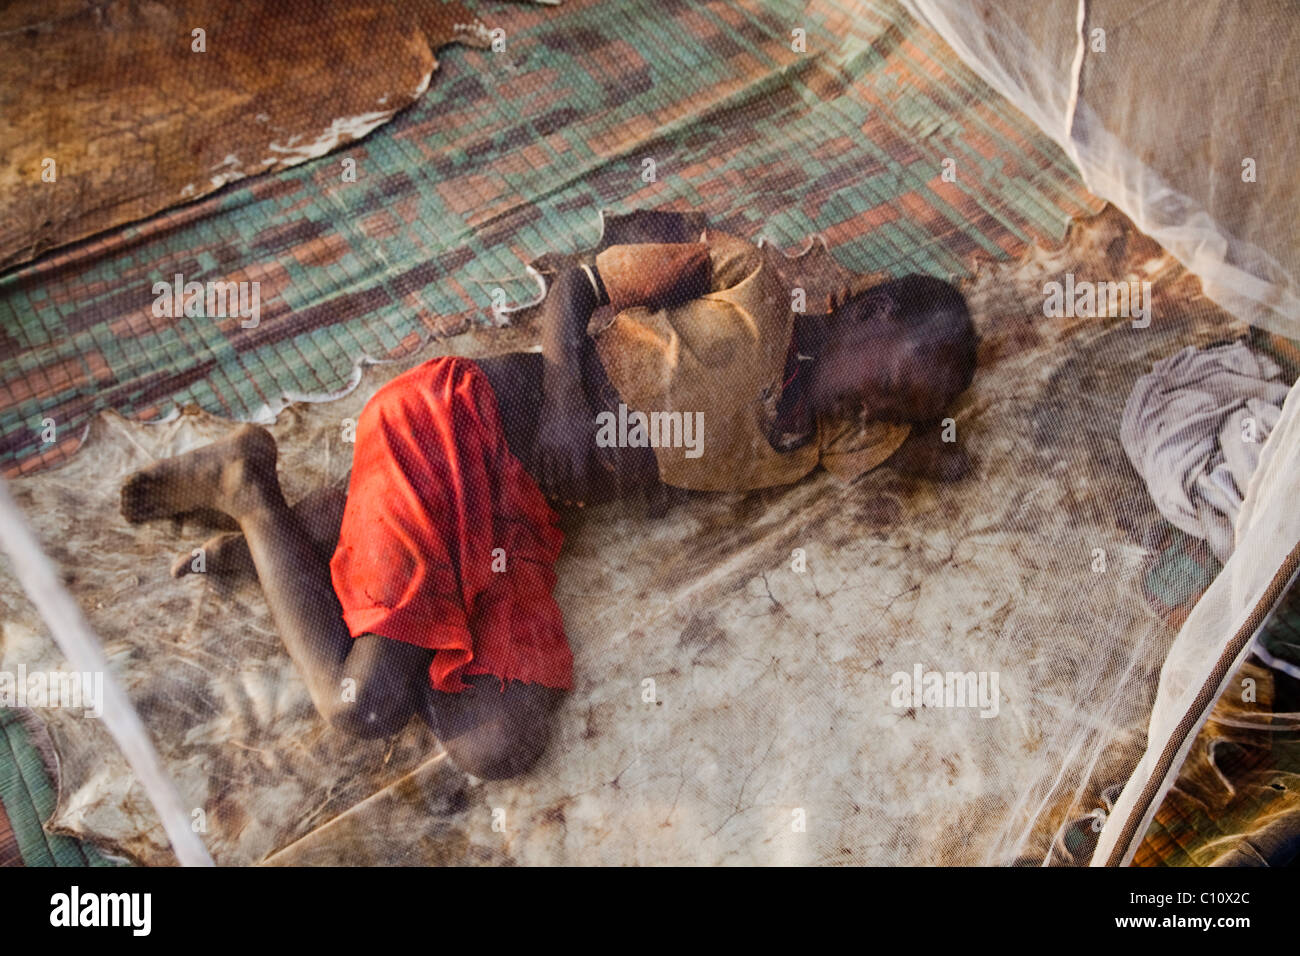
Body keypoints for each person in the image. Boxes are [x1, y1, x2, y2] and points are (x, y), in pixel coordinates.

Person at [119, 215, 978, 780]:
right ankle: (250, 489)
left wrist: (942, 416)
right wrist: (571, 402)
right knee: (363, 707)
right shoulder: (752, 284)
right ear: (871, 311)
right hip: (476, 423)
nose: (880, 410)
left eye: (899, 411)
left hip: (525, 521)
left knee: (499, 744)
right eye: (891, 380)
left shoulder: (838, 437)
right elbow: (580, 284)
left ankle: (319, 556)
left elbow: (935, 452)